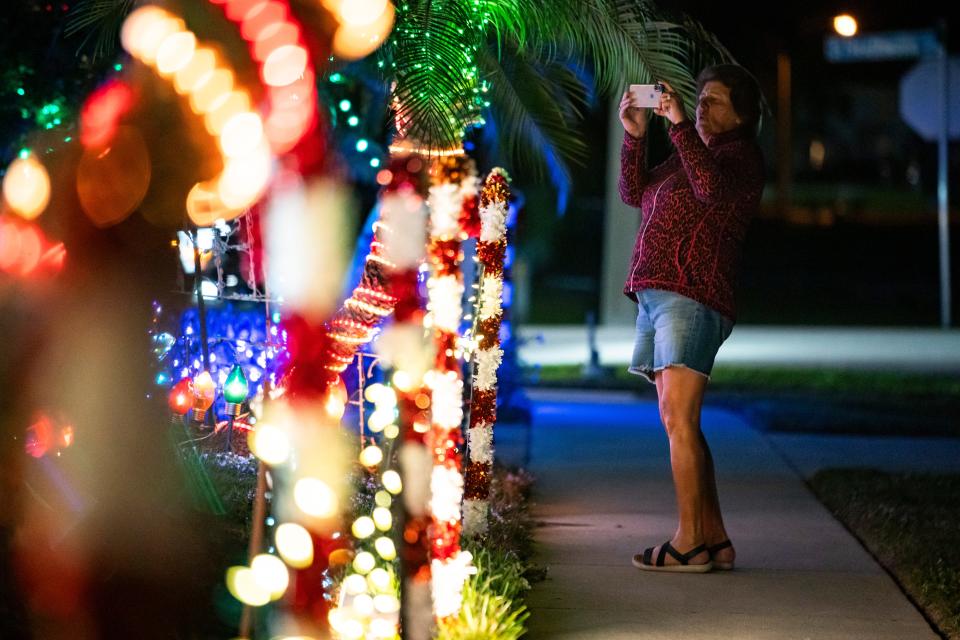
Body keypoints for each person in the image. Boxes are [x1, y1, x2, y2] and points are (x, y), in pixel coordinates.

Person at [618, 65, 764, 572]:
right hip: (657, 296)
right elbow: (633, 192)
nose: (702, 108)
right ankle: (715, 538)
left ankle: (688, 543)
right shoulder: (688, 156)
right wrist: (635, 137)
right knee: (678, 422)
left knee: (679, 420)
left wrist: (679, 125)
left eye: (716, 102)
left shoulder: (739, 160)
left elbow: (711, 192)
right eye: (698, 99)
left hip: (692, 295)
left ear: (742, 116)